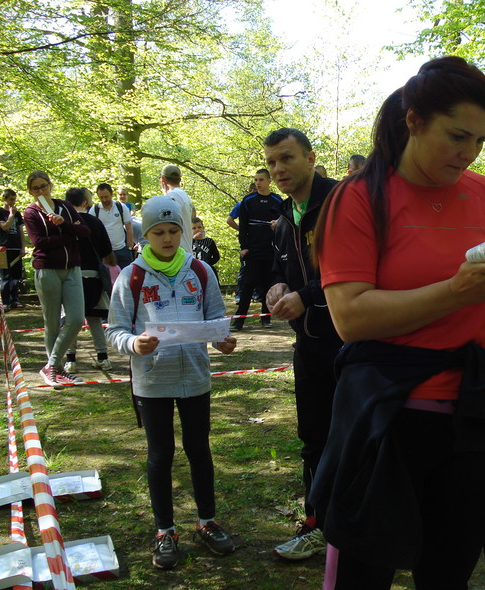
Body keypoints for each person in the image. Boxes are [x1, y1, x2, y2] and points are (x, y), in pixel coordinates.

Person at [309, 56, 485, 590]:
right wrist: (454, 292)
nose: (469, 153)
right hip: (387, 416)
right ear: (415, 121)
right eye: (457, 136)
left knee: (449, 575)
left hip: (474, 414)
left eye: (481, 140)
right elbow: (350, 318)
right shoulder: (358, 198)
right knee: (362, 574)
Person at [106, 195, 237, 570]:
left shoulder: (201, 272)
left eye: (173, 231)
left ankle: (207, 521)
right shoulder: (131, 277)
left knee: (199, 450)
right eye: (158, 232)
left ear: (183, 232)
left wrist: (222, 341)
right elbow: (115, 329)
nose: (166, 238)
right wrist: (134, 344)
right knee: (160, 455)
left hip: (195, 378)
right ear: (145, 235)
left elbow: (215, 320)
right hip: (152, 382)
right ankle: (165, 530)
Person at [263, 128, 342, 560]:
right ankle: (317, 524)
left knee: (357, 438)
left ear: (311, 158)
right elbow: (281, 267)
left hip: (352, 344)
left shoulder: (341, 202)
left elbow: (354, 270)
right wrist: (277, 286)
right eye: (272, 162)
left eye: (287, 158)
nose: (278, 169)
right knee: (313, 437)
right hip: (308, 347)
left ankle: (356, 528)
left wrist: (306, 297)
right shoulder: (283, 215)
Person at [23, 170, 90, 386]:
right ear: (30, 191)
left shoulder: (65, 207)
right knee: (51, 322)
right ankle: (57, 369)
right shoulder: (31, 212)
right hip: (47, 270)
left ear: (50, 186)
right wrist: (70, 235)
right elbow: (39, 242)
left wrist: (63, 224)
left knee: (77, 319)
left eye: (44, 186)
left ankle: (51, 365)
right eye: (36, 188)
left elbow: (85, 231)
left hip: (72, 269)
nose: (41, 191)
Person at [64, 187, 116, 372]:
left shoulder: (64, 223)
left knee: (71, 320)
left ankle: (70, 360)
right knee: (94, 319)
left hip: (70, 276)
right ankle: (103, 358)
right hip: (93, 276)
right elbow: (106, 250)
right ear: (85, 202)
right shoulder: (95, 222)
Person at [231, 169, 282, 331]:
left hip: (270, 250)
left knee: (268, 284)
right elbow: (243, 226)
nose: (258, 183)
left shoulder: (277, 200)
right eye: (256, 180)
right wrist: (244, 247)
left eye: (261, 180)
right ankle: (239, 320)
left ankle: (266, 318)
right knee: (247, 284)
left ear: (269, 181)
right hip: (252, 250)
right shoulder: (248, 200)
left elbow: (284, 224)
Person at [90, 182, 134, 269]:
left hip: (122, 249)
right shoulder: (94, 210)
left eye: (106, 197)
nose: (104, 199)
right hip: (104, 252)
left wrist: (129, 246)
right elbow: (92, 231)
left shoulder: (121, 207)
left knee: (127, 275)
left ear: (111, 194)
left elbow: (129, 227)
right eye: (101, 197)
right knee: (107, 276)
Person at [0, 189, 26, 309]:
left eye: (14, 199)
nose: (13, 202)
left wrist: (23, 247)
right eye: (11, 199)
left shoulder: (18, 214)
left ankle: (14, 300)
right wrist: (11, 214)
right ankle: (5, 302)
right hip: (4, 248)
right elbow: (5, 227)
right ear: (5, 199)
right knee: (5, 276)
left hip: (16, 248)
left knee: (16, 276)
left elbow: (21, 231)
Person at [159, 164, 195, 254]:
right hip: (185, 251)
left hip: (177, 253)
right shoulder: (184, 195)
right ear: (180, 179)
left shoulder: (172, 196)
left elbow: (166, 222)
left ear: (163, 179)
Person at [191, 216, 221, 283]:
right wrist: (193, 239)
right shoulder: (189, 241)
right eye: (194, 228)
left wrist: (208, 264)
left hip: (206, 270)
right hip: (192, 270)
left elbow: (216, 257)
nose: (197, 229)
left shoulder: (209, 241)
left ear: (203, 228)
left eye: (199, 227)